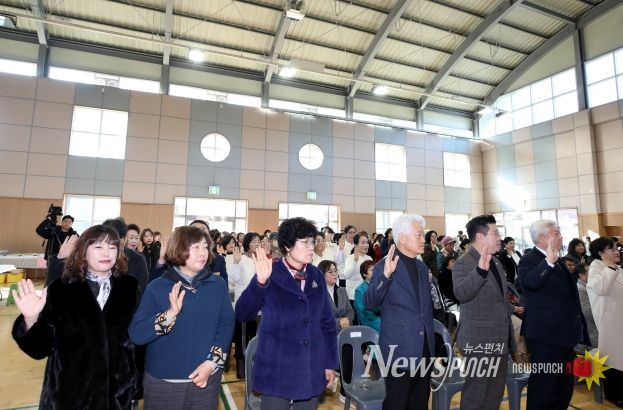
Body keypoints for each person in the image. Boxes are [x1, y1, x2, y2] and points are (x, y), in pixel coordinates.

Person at [12, 225, 139, 408]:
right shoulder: (61, 289)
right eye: (98, 247)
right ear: (83, 251)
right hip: (68, 397)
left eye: (112, 247)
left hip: (117, 396)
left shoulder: (129, 288)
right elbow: (39, 349)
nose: (106, 253)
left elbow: (137, 342)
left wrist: (134, 387)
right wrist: (31, 319)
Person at [235, 217, 338, 409]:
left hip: (310, 364)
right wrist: (260, 282)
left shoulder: (316, 275)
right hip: (277, 366)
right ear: (288, 246)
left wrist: (329, 363)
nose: (311, 247)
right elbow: (242, 313)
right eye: (305, 242)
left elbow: (327, 323)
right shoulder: (270, 271)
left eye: (312, 242)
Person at [129, 226, 234, 410]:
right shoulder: (157, 287)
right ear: (178, 249)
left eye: (205, 246)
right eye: (195, 247)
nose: (203, 253)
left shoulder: (217, 285)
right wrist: (169, 316)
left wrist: (211, 364)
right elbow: (137, 334)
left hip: (206, 378)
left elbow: (226, 325)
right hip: (165, 382)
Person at [364, 214, 435, 410]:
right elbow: (369, 302)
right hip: (399, 350)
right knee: (397, 403)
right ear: (402, 237)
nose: (423, 239)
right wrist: (386, 275)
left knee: (419, 404)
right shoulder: (385, 265)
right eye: (419, 235)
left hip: (424, 349)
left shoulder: (421, 267)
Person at [517, 219, 589, 410]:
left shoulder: (559, 260)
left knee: (563, 387)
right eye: (556, 233)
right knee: (544, 388)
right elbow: (530, 283)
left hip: (564, 335)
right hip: (545, 336)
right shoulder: (529, 259)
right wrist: (548, 261)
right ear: (542, 238)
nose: (561, 237)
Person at [452, 214, 514, 410]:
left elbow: (498, 299)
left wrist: (515, 310)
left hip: (499, 338)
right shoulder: (464, 262)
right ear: (480, 237)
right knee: (476, 395)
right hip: (478, 340)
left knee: (494, 394)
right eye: (495, 233)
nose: (500, 238)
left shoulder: (495, 261)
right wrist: (479, 271)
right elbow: (461, 293)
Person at [587, 237, 623, 407]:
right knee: (613, 358)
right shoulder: (596, 268)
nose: (617, 252)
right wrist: (609, 267)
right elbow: (601, 288)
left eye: (617, 248)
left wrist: (612, 267)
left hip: (619, 319)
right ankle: (613, 395)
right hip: (610, 322)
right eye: (612, 249)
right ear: (601, 253)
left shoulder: (617, 268)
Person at [103, 217, 149, 292]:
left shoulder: (138, 259)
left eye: (120, 237)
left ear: (124, 239)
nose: (115, 241)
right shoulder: (99, 257)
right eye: (110, 237)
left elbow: (142, 289)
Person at [354, 260, 381, 332]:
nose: (376, 271)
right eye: (372, 270)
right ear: (364, 274)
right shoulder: (360, 291)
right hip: (373, 327)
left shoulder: (382, 285)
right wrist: (384, 323)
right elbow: (365, 314)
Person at [576, 263, 598, 348]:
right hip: (593, 330)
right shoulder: (580, 289)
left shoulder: (591, 284)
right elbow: (587, 312)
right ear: (581, 275)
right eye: (590, 272)